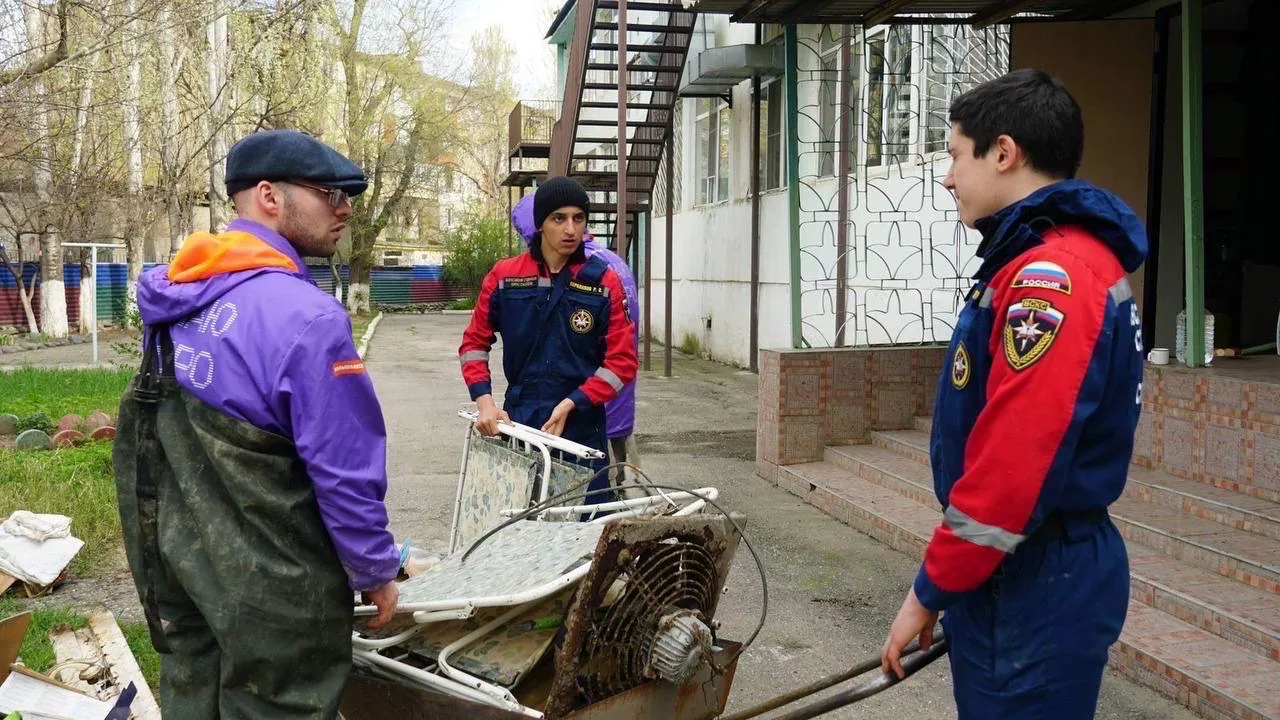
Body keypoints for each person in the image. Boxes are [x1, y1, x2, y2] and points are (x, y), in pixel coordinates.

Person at [879, 69, 1147, 718]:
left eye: (952, 154)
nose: (947, 177)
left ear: (1004, 153)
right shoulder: (1047, 259)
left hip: (1035, 576)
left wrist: (930, 591)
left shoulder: (1051, 276)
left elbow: (1013, 466)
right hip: (1025, 568)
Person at [113, 128, 401, 718]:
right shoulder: (309, 318)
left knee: (193, 697)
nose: (344, 210)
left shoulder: (176, 300)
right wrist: (374, 570)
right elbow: (343, 469)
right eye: (330, 193)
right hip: (278, 593)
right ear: (269, 196)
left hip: (178, 564)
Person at [461, 177, 638, 505]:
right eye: (559, 218)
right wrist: (484, 402)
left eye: (578, 218)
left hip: (582, 427)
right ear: (541, 223)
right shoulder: (505, 277)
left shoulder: (603, 281)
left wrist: (574, 402)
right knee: (522, 527)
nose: (571, 229)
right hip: (520, 423)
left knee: (587, 534)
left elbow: (622, 363)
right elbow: (473, 342)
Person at [511, 193, 643, 497]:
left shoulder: (587, 270)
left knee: (572, 495)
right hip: (609, 399)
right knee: (609, 484)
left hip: (581, 406)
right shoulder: (612, 260)